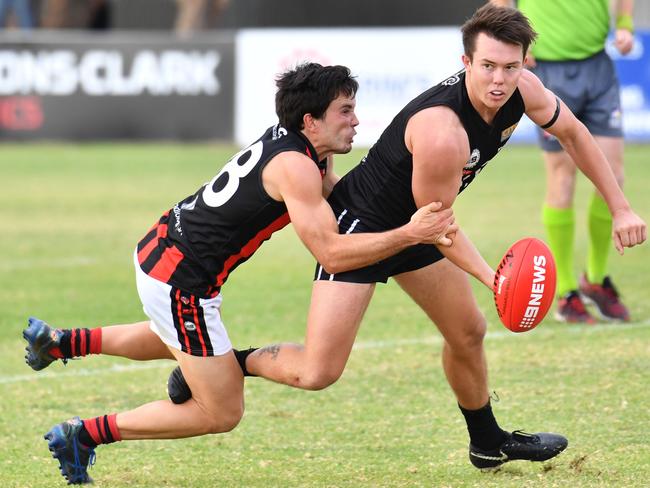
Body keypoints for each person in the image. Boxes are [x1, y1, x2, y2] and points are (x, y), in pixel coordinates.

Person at [166, 3, 645, 469]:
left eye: (511, 67)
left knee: (468, 331)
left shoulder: (527, 90)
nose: (499, 80)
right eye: (488, 66)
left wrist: (621, 208)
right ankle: (232, 363)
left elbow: (577, 135)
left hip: (420, 225)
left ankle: (487, 443)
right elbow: (438, 225)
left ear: (526, 62)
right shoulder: (443, 133)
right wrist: (495, 278)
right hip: (365, 224)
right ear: (466, 63)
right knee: (318, 371)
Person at [23, 63, 456, 485]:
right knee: (220, 412)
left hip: (161, 252)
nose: (356, 120)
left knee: (176, 338)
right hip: (181, 281)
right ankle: (83, 435)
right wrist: (409, 233)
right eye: (344, 110)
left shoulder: (299, 148)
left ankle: (62, 343)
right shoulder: (297, 166)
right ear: (311, 120)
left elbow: (340, 201)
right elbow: (333, 254)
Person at [490, 0, 636, 323]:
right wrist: (513, 43)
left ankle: (596, 279)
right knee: (562, 178)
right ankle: (567, 291)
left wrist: (624, 23)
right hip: (549, 69)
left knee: (613, 175)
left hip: (598, 65)